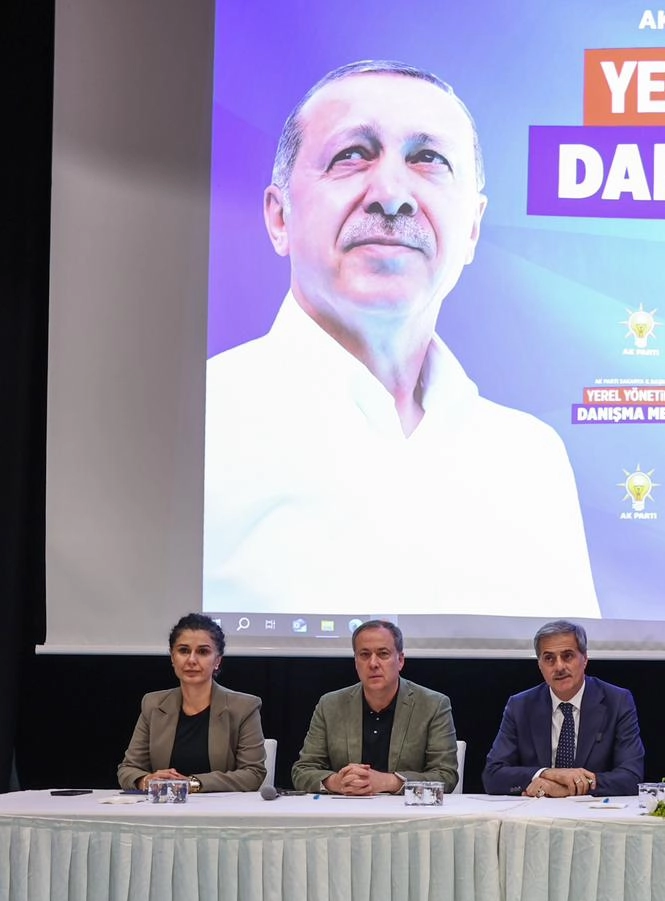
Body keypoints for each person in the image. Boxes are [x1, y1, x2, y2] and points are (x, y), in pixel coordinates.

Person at [204, 59, 596, 618]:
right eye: (351, 154)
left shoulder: (532, 461)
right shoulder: (195, 424)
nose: (391, 194)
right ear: (279, 218)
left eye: (428, 159)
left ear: (473, 228)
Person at [290, 619, 459, 793]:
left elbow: (445, 775)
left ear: (400, 660)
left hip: (403, 808)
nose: (373, 663)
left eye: (383, 654)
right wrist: (337, 782)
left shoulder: (433, 705)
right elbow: (303, 770)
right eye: (364, 655)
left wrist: (388, 782)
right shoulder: (330, 705)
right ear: (356, 662)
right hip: (345, 805)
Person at [482, 620, 646, 797]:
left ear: (585, 659)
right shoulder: (520, 706)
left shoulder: (617, 701)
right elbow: (492, 775)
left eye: (567, 656)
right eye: (549, 658)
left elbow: (631, 777)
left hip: (592, 811)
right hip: (537, 810)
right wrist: (547, 774)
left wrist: (567, 788)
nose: (559, 667)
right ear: (540, 665)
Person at [117, 613, 267, 792]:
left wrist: (192, 784)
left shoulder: (244, 707)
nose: (191, 660)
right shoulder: (154, 704)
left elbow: (253, 774)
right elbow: (128, 769)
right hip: (165, 806)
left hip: (222, 807)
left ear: (217, 661)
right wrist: (146, 780)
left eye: (203, 652)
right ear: (172, 657)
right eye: (184, 651)